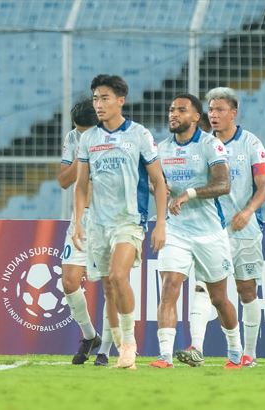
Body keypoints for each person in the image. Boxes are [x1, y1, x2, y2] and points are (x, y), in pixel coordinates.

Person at [73, 75, 167, 370]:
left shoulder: (139, 134)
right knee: (108, 287)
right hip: (97, 223)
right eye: (95, 99)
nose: (98, 104)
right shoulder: (88, 139)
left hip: (129, 220)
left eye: (104, 98)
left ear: (120, 101)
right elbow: (80, 185)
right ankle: (117, 344)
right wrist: (78, 222)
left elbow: (158, 181)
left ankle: (129, 344)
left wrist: (161, 223)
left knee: (117, 276)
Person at [175, 88, 265, 368]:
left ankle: (249, 354)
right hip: (210, 230)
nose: (214, 115)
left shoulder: (251, 143)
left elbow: (264, 185)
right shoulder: (203, 144)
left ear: (233, 113)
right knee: (203, 288)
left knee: (246, 291)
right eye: (211, 110)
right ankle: (196, 347)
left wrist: (248, 212)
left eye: (220, 109)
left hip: (245, 230)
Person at [152, 93, 242, 369]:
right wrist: (160, 188)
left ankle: (235, 351)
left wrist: (187, 194)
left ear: (195, 117)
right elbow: (154, 183)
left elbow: (223, 185)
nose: (173, 114)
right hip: (176, 230)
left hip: (209, 232)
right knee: (169, 287)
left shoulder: (210, 145)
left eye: (181, 110)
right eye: (171, 109)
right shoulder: (162, 149)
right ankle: (165, 356)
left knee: (218, 298)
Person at [58, 98, 121, 366]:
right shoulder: (73, 138)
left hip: (109, 218)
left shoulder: (117, 139)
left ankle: (105, 349)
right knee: (69, 281)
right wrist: (83, 153)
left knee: (111, 284)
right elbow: (64, 180)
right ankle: (89, 335)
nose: (80, 134)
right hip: (81, 218)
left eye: (86, 131)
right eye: (78, 129)